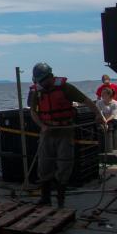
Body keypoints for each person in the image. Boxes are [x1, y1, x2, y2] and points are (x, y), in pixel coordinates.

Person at [28, 62, 105, 208]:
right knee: (44, 165)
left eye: (43, 81)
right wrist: (42, 125)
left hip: (65, 131)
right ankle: (46, 198)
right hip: (47, 132)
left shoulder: (66, 88)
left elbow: (86, 100)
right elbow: (33, 111)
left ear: (49, 77)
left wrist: (98, 114)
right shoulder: (37, 92)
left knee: (64, 164)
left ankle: (60, 200)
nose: (42, 84)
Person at [96, 87, 117, 152]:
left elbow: (113, 115)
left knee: (110, 125)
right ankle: (101, 149)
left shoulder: (115, 103)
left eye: (104, 94)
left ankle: (110, 149)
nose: (102, 95)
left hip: (113, 119)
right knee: (99, 126)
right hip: (103, 119)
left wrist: (106, 121)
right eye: (101, 93)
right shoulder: (99, 103)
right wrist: (104, 121)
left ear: (109, 95)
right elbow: (100, 113)